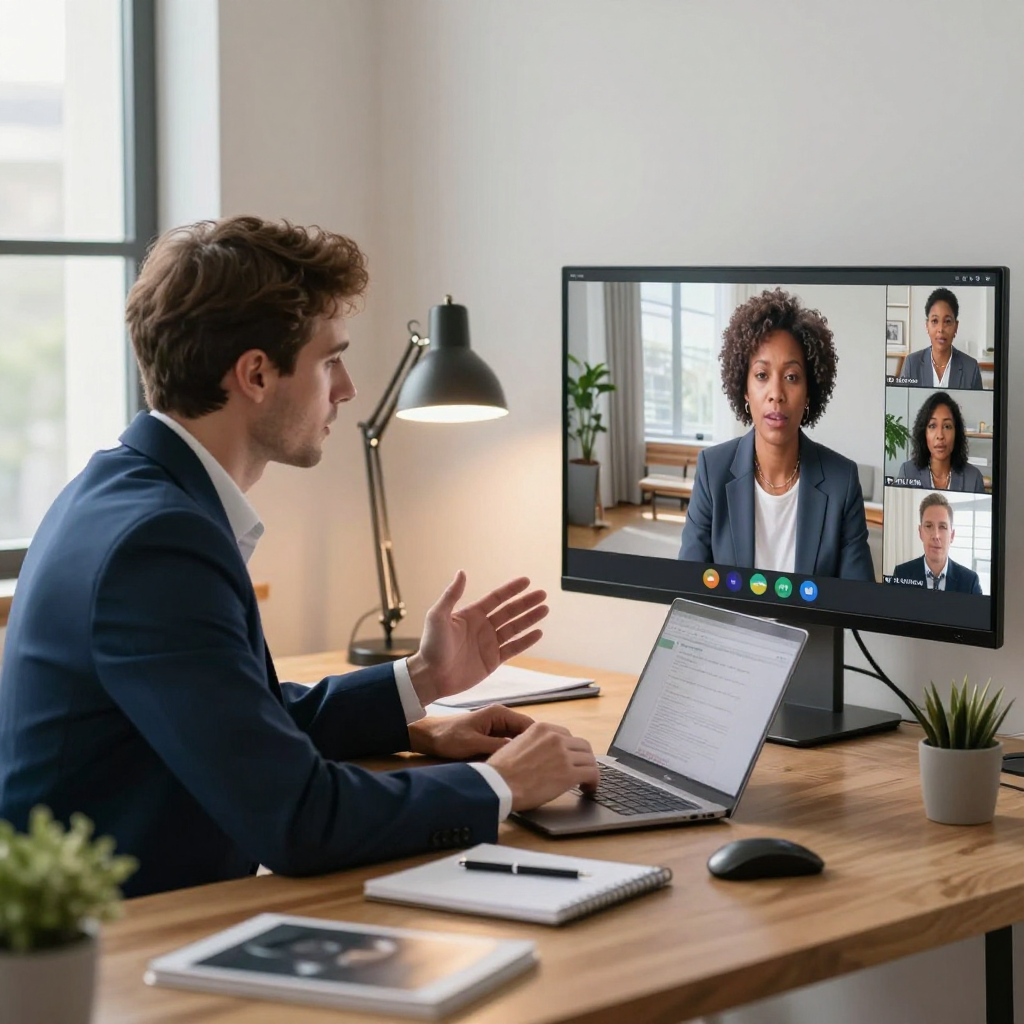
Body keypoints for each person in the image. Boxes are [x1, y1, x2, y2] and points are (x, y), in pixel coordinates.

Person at [0, 216, 599, 898]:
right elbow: (299, 819)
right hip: (114, 953)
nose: (346, 389)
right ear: (256, 373)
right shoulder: (156, 544)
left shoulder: (122, 491)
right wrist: (501, 783)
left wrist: (420, 681)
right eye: (330, 359)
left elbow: (233, 720)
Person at [678, 288, 873, 581]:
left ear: (809, 392)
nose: (776, 395)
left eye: (791, 377)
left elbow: (859, 600)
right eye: (761, 375)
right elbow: (688, 584)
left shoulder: (841, 481)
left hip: (810, 628)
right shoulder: (711, 470)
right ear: (744, 389)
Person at [889, 492, 982, 594]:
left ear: (952, 535)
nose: (936, 536)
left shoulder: (970, 582)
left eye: (942, 527)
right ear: (920, 532)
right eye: (929, 526)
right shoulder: (901, 574)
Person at [896, 391, 986, 492]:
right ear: (924, 433)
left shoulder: (973, 479)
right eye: (932, 426)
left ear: (956, 432)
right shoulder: (907, 472)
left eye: (947, 426)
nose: (940, 435)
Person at [899, 288, 984, 389]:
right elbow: (902, 403)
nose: (941, 329)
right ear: (927, 326)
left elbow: (977, 404)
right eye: (935, 321)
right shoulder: (912, 363)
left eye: (947, 321)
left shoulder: (971, 367)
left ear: (956, 326)